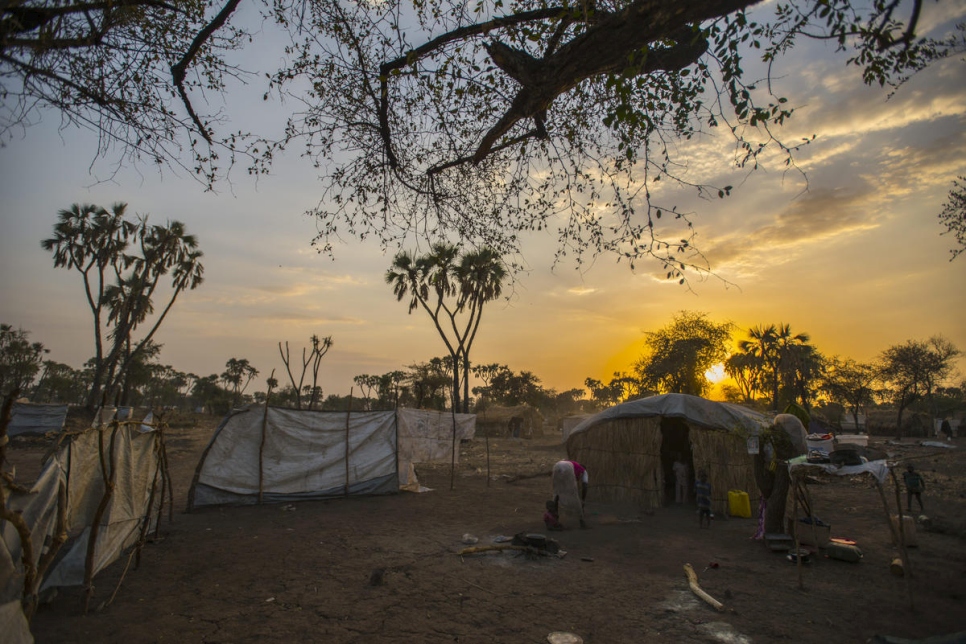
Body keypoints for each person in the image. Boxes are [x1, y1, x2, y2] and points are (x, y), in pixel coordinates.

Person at [551, 459, 589, 528]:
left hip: (557, 465)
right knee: (574, 495)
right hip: (567, 467)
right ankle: (581, 521)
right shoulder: (584, 471)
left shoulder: (572, 463)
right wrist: (583, 500)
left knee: (556, 493)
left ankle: (554, 518)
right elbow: (585, 486)